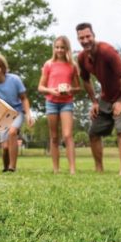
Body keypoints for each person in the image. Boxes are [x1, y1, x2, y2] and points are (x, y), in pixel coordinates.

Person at [76, 22, 121, 176]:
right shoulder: (81, 58)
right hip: (105, 97)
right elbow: (85, 80)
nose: (85, 40)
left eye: (88, 36)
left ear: (93, 35)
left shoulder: (107, 51)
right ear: (78, 39)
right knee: (93, 132)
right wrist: (94, 102)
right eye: (81, 38)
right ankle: (99, 168)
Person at [0, 53, 34, 172]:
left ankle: (12, 167)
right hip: (2, 117)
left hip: (17, 112)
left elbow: (24, 98)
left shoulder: (14, 80)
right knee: (5, 147)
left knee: (12, 132)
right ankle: (6, 167)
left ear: (4, 68)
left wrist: (28, 114)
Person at [38, 36, 80, 174]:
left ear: (67, 48)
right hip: (51, 103)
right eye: (57, 47)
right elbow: (41, 87)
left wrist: (70, 90)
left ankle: (72, 169)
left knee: (67, 135)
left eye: (62, 47)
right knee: (54, 137)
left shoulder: (72, 66)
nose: (59, 50)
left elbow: (78, 88)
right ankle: (56, 169)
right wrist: (51, 90)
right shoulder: (48, 64)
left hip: (66, 103)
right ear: (54, 48)